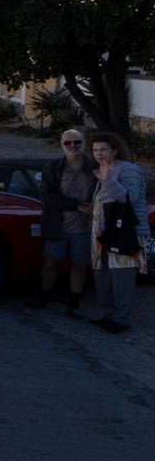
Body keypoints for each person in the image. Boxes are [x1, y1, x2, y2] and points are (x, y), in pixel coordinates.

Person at [87, 131, 149, 334]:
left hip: (124, 233)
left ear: (115, 149)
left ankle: (121, 319)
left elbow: (130, 198)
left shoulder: (127, 169)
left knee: (121, 277)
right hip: (103, 233)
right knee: (103, 276)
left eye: (104, 149)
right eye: (96, 150)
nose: (99, 153)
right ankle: (109, 314)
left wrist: (108, 181)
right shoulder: (105, 169)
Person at [35, 129, 96, 314]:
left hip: (84, 227)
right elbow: (48, 198)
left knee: (79, 266)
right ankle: (43, 300)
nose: (72, 146)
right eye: (68, 143)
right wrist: (77, 206)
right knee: (50, 264)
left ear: (84, 143)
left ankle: (74, 305)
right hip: (58, 225)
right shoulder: (53, 168)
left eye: (77, 142)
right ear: (61, 144)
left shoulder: (94, 168)